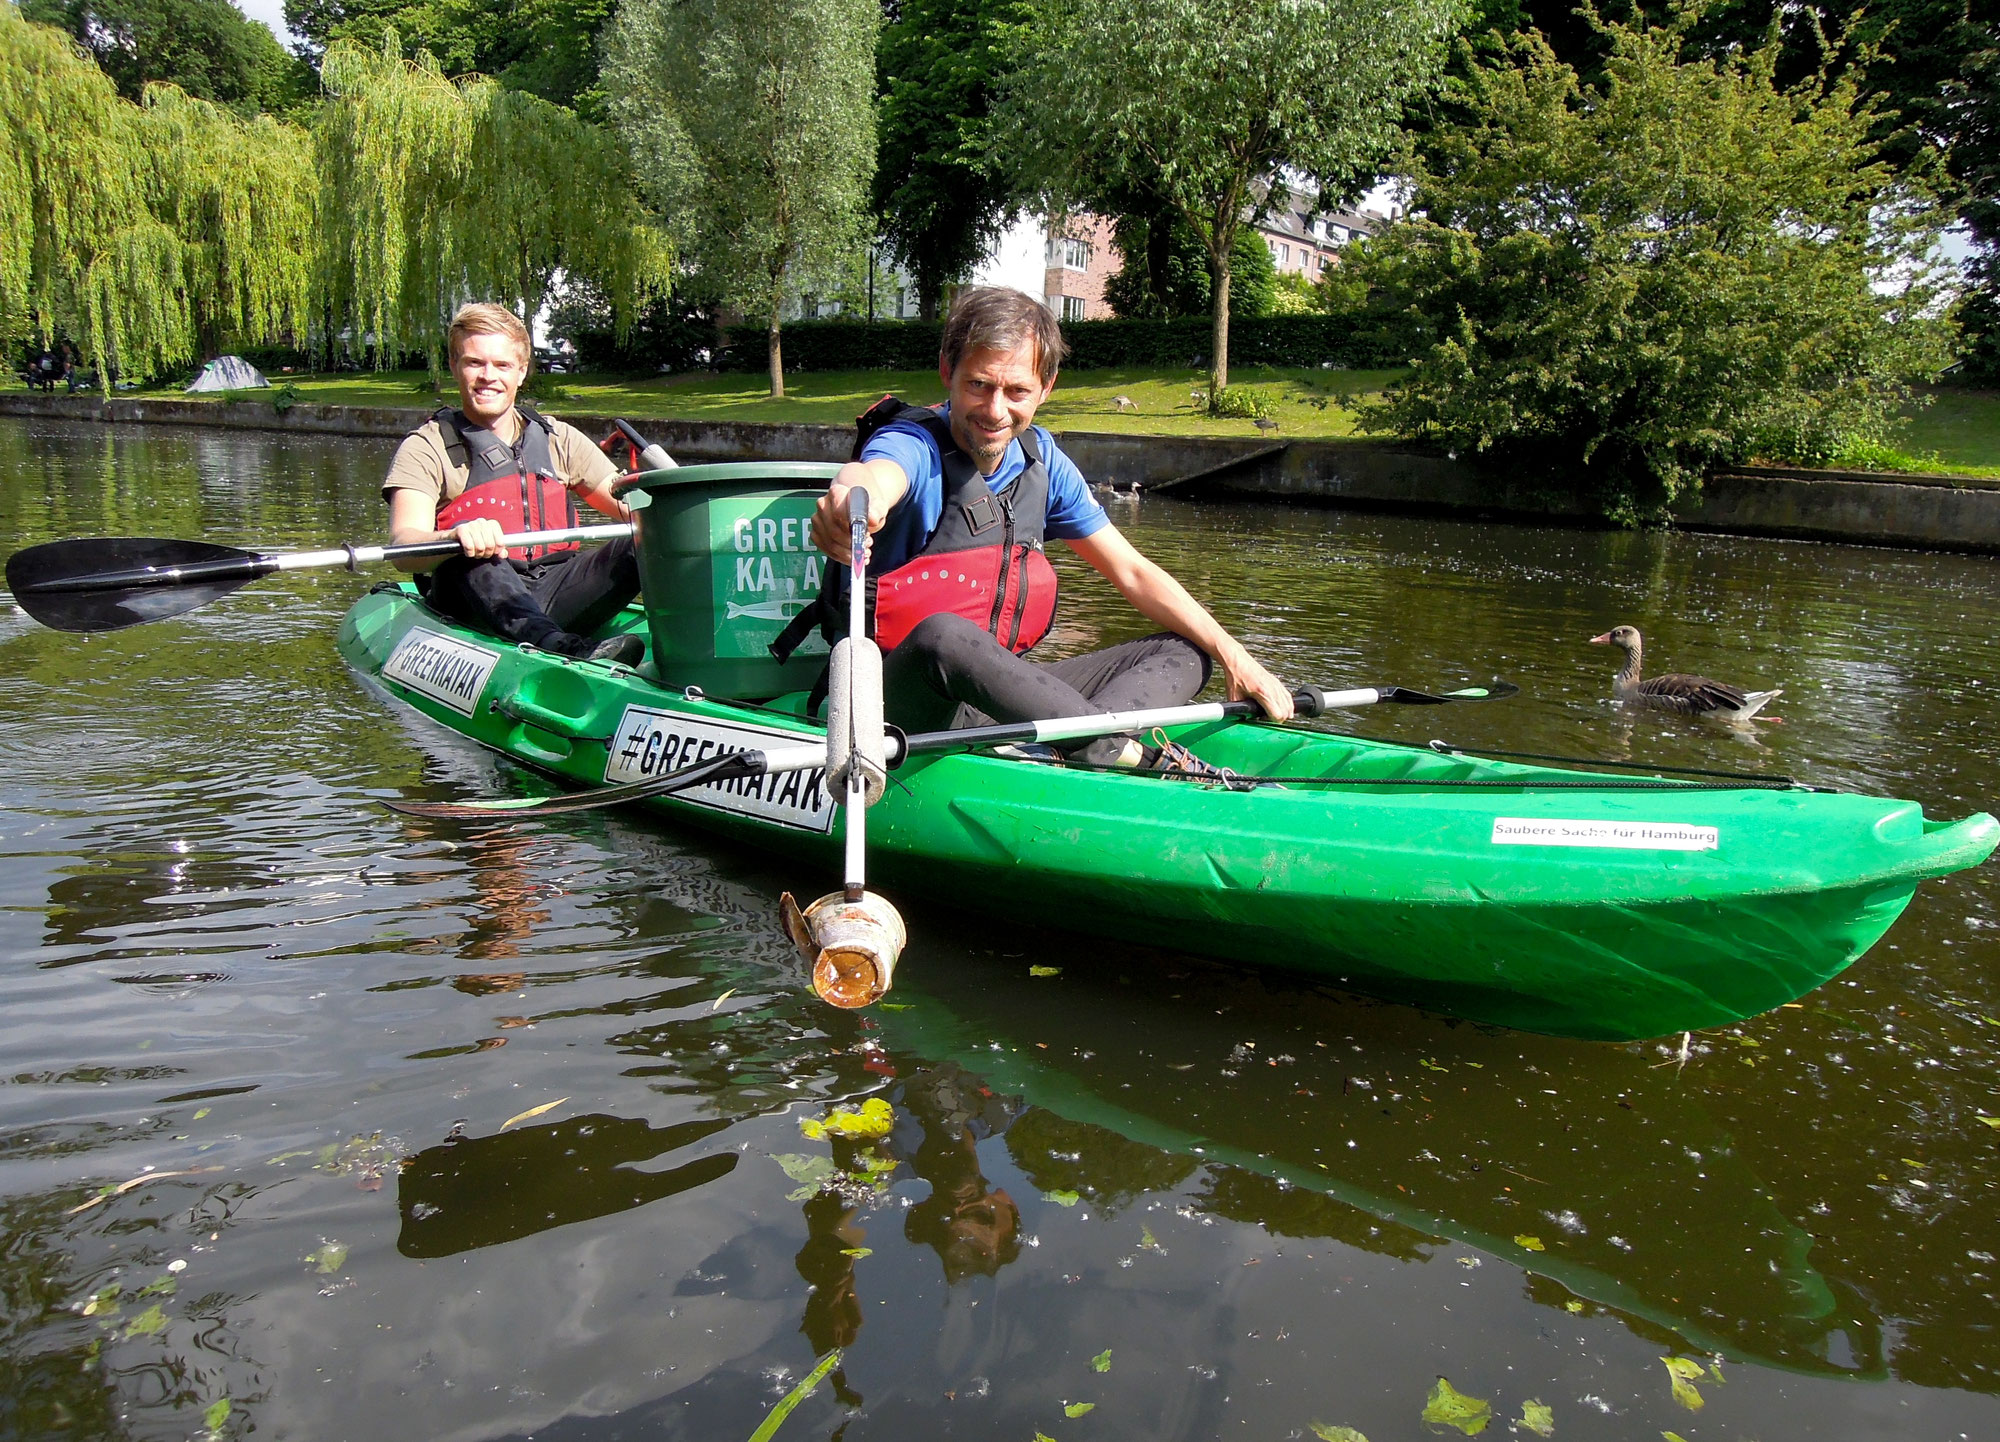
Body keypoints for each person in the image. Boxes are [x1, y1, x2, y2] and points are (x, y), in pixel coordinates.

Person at [802, 286, 1292, 765]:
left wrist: (1235, 655)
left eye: (1017, 391)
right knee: (942, 637)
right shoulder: (914, 445)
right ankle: (1122, 755)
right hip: (898, 705)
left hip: (990, 706)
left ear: (1046, 388)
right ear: (947, 372)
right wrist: (851, 501)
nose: (995, 411)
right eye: (979, 385)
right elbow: (872, 475)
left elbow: (1134, 573)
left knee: (1188, 648)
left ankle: (1070, 748)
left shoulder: (1043, 462)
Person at [383, 302, 643, 664]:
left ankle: (697, 647)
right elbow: (403, 546)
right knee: (469, 552)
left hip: (556, 586)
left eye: (502, 365)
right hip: (475, 597)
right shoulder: (426, 446)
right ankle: (559, 649)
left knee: (645, 538)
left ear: (521, 372)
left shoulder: (559, 439)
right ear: (455, 367)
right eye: (475, 362)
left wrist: (673, 510)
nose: (489, 376)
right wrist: (453, 537)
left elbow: (633, 510)